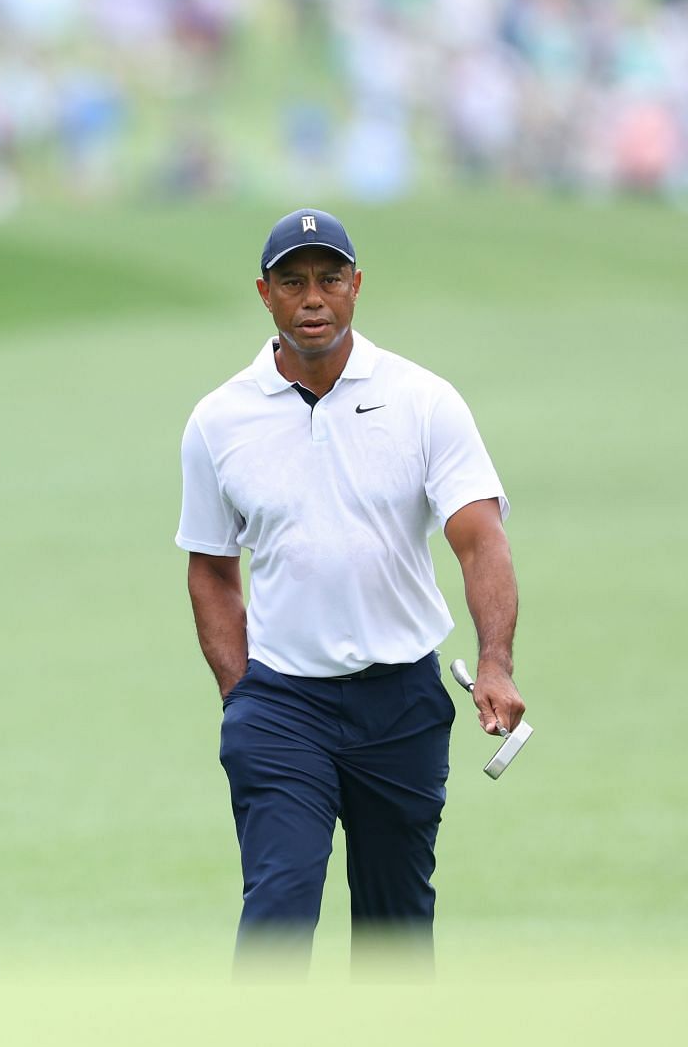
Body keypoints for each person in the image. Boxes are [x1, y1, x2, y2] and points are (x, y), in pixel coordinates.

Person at [175, 208, 524, 971]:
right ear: (264, 294)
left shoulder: (423, 400)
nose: (313, 298)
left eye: (330, 279)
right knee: (277, 911)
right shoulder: (218, 420)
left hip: (400, 701)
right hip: (281, 704)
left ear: (356, 286)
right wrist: (242, 697)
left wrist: (494, 659)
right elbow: (210, 566)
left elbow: (479, 537)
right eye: (293, 282)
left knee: (395, 932)